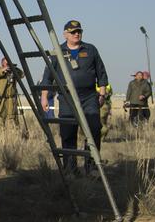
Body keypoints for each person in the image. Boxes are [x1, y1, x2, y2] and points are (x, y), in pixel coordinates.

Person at [39, 20, 107, 173]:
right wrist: (44, 97)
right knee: (68, 133)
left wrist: (102, 93)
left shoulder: (90, 50)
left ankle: (92, 166)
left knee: (94, 129)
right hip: (67, 98)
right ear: (65, 34)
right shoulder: (58, 51)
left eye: (79, 31)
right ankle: (70, 168)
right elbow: (47, 76)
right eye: (73, 32)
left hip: (89, 97)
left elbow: (101, 73)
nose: (77, 34)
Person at [0, 56, 22, 129]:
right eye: (7, 64)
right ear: (3, 64)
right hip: (1, 99)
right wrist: (3, 71)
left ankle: (15, 133)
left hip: (11, 99)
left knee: (13, 118)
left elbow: (22, 75)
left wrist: (14, 69)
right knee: (1, 118)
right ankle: (2, 134)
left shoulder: (13, 71)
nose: (8, 65)